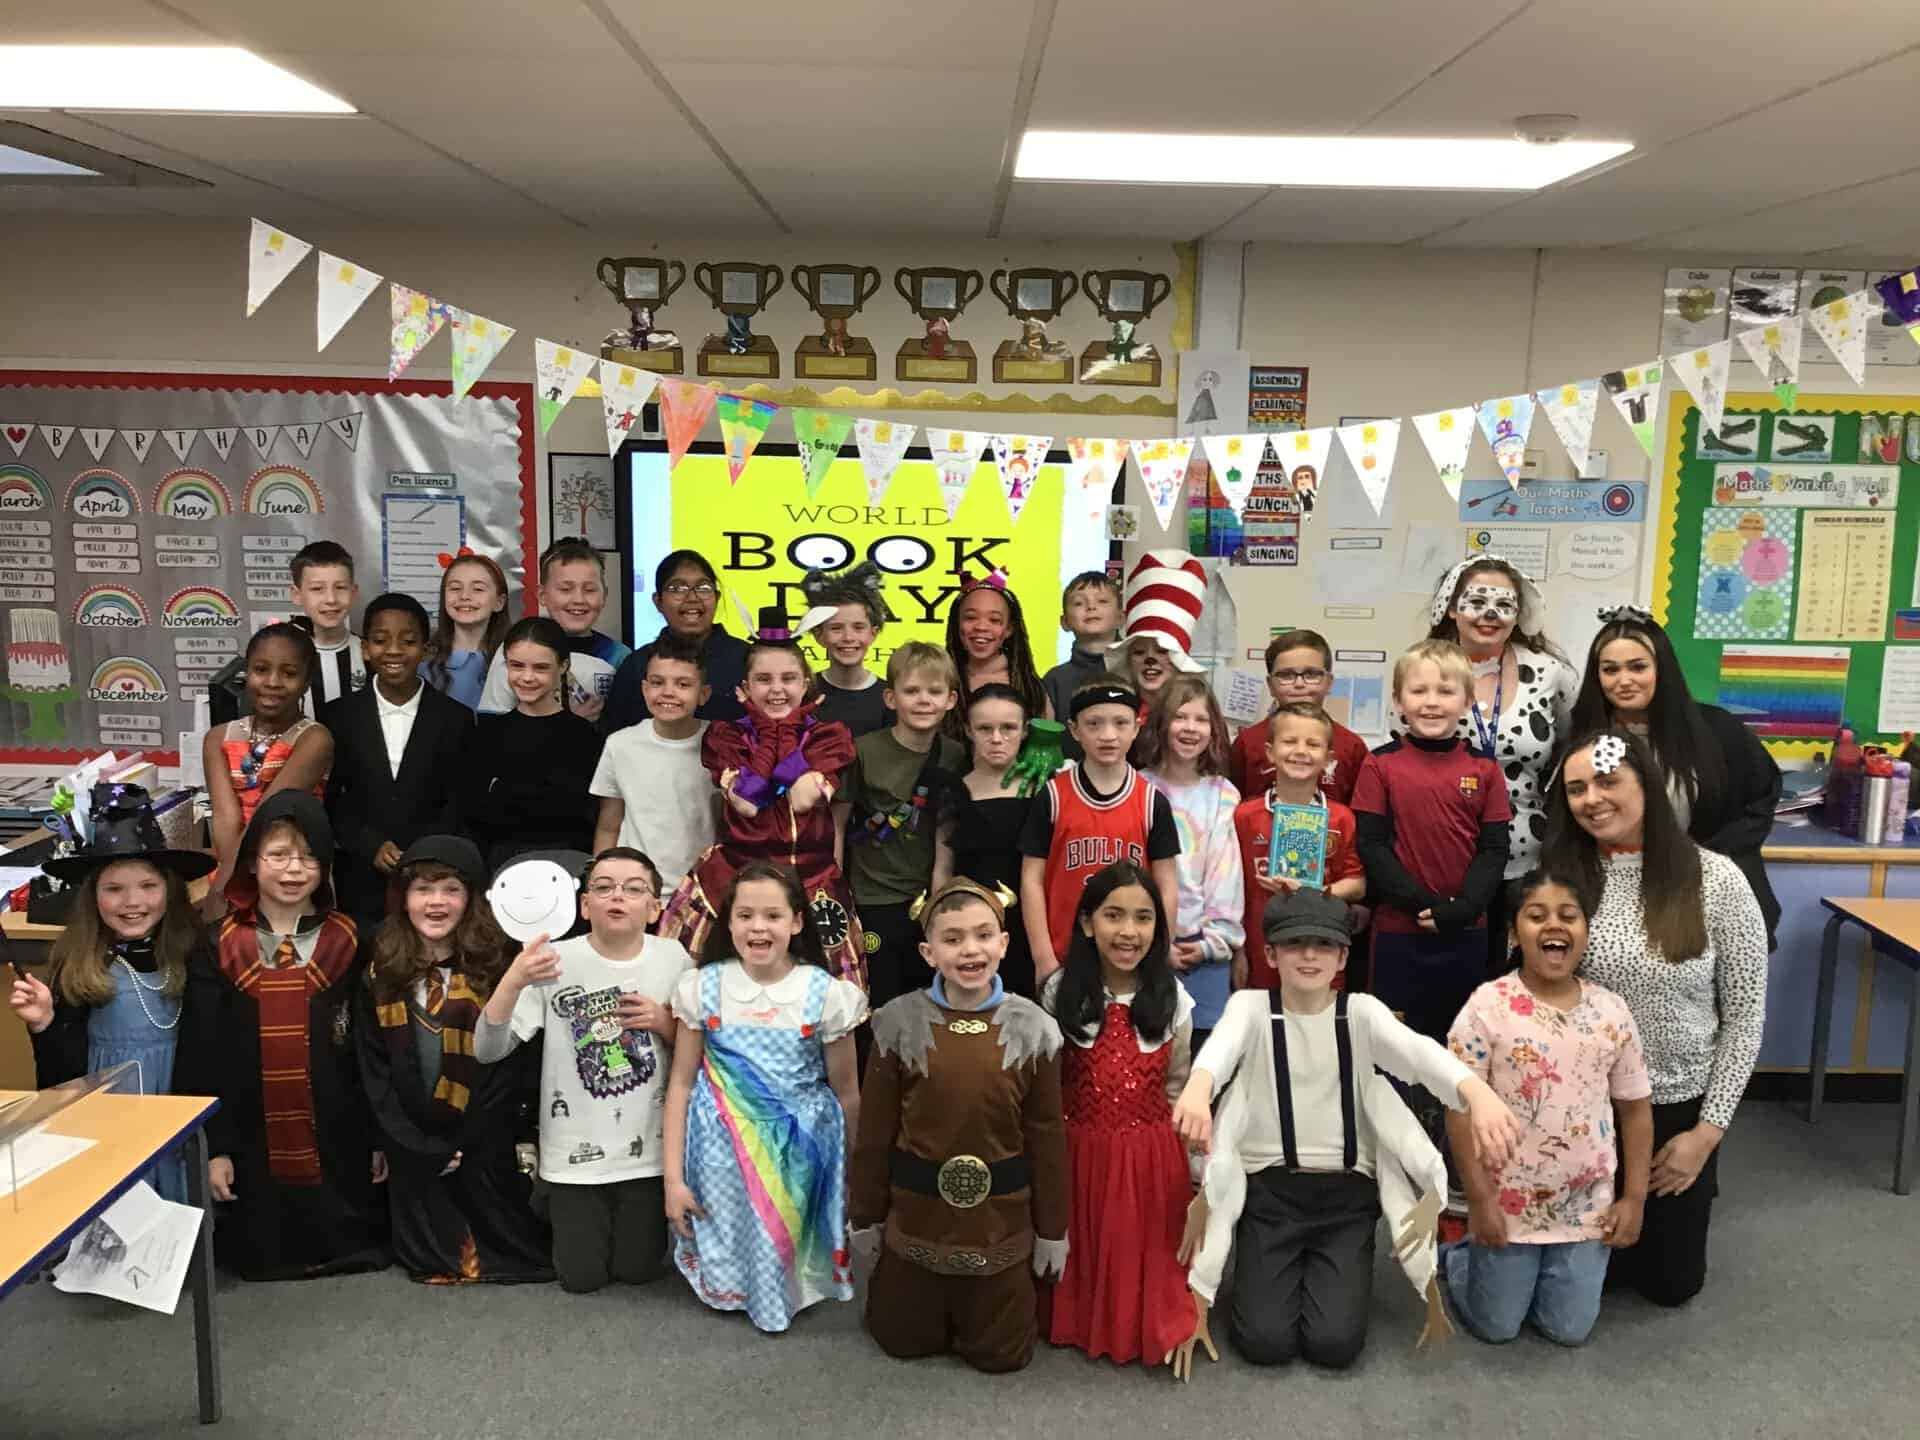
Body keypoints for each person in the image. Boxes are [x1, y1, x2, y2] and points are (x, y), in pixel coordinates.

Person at [1172, 889, 1521, 1370]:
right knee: (1264, 1343)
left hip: (1346, 1204)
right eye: (1294, 944)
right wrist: (1199, 1087)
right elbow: (1222, 1047)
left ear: (1342, 957)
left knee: (1333, 1345)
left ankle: (1330, 1270)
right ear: (1270, 954)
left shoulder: (1361, 1012)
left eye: (1323, 944)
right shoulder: (1251, 1008)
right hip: (1271, 1198)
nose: (1309, 955)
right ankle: (1273, 1269)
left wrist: (1476, 1093)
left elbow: (1419, 1053)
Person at [1541, 728, 1767, 1307]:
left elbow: (1744, 1020)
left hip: (1676, 1110)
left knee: (1669, 1285)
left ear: (1646, 783)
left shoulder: (1716, 880)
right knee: (1593, 1280)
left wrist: (1706, 1135)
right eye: (1576, 789)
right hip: (1584, 1110)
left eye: (1608, 781)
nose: (1592, 799)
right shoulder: (1561, 880)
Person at [850, 878, 1068, 1374]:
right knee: (902, 1341)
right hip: (918, 1221)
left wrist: (1053, 1230)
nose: (970, 950)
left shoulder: (1035, 1030)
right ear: (928, 952)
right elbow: (875, 1135)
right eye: (952, 939)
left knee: (1002, 1356)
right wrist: (865, 1215)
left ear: (1004, 944)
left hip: (998, 1226)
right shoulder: (897, 1024)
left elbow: (1047, 1136)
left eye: (983, 935)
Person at [175, 791, 387, 1280]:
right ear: (252, 863)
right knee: (258, 1239)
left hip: (339, 1128)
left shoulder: (355, 941)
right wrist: (215, 1147)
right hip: (250, 1130)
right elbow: (201, 1054)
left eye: (309, 856)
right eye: (278, 855)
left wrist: (379, 1137)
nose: (294, 869)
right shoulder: (216, 945)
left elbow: (373, 1051)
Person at [1440, 868, 1653, 1346]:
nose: (1554, 925)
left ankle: (1527, 1278)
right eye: (1537, 916)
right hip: (1506, 1203)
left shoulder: (1611, 1011)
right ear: (1515, 933)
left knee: (1568, 1330)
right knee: (1496, 1327)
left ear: (1586, 931)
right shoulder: (1487, 1006)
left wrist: (1634, 1198)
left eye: (1568, 916)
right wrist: (1480, 1201)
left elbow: (1635, 1108)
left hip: (1585, 1206)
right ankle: (1457, 1255)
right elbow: (1458, 1108)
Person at [663, 862, 868, 1332]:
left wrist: (857, 1175)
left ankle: (781, 1297)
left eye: (773, 915)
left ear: (796, 922)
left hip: (800, 1152)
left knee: (781, 1236)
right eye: (745, 915)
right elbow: (681, 1084)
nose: (758, 927)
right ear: (728, 922)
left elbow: (847, 1093)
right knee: (732, 1228)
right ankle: (736, 1291)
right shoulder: (703, 987)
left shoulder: (827, 995)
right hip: (720, 1147)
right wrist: (673, 1180)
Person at [475, 847, 691, 1293]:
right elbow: (487, 1050)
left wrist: (663, 1023)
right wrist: (514, 979)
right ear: (584, 905)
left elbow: (703, 1052)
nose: (618, 896)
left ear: (655, 908)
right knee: (581, 1278)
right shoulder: (553, 960)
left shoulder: (675, 959)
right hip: (573, 1154)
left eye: (634, 889)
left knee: (638, 1271)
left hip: (649, 1152)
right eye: (604, 888)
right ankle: (548, 1199)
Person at [354, 835, 551, 1284]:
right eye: (423, 889)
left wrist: (464, 1140)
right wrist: (420, 1147)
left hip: (481, 1137)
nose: (436, 902)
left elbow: (508, 1069)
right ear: (404, 898)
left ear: (471, 899)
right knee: (428, 1254)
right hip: (413, 1138)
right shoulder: (379, 972)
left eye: (451, 889)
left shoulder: (498, 968)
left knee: (508, 1248)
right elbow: (374, 1073)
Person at [9, 783, 217, 1202]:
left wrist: (220, 1145)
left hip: (174, 1114)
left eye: (148, 886)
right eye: (114, 889)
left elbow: (217, 1055)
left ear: (170, 891)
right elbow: (59, 1078)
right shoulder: (78, 961)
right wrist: (46, 1025)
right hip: (104, 1118)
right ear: (93, 897)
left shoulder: (195, 956)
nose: (132, 901)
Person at [1041, 862, 1196, 1369]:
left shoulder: (1174, 1001)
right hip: (1079, 1155)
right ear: (1088, 923)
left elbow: (1178, 1089)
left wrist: (1198, 1174)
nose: (1129, 931)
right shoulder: (1058, 993)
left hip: (1150, 1161)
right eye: (1114, 915)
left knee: (1141, 1254)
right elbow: (1045, 1087)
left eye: (1143, 918)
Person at [658, 608, 864, 987]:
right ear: (746, 687)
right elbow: (749, 802)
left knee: (828, 1000)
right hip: (732, 877)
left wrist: (785, 733)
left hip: (811, 882)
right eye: (764, 679)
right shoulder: (727, 737)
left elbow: (801, 798)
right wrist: (771, 731)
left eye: (788, 679)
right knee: (694, 991)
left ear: (805, 684)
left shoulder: (828, 736)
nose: (776, 689)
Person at [1568, 606, 1782, 944]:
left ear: (1662, 669)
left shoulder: (1717, 731)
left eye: (1638, 667)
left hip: (1704, 896)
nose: (1624, 680)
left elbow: (1759, 800)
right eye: (1610, 670)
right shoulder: (1581, 738)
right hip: (1612, 901)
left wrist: (1705, 861)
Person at [1353, 640, 1511, 1041]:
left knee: (1461, 1041)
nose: (1431, 702)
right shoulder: (1379, 764)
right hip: (1399, 930)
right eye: (1418, 691)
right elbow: (1372, 845)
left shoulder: (1485, 768)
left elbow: (1494, 848)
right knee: (1394, 1042)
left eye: (1445, 691)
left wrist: (1464, 908)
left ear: (1467, 700)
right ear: (1398, 700)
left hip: (1467, 929)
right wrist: (1423, 904)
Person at [1425, 554, 1578, 960]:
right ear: (1451, 607)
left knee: (1517, 977)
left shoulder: (1550, 674)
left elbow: (1573, 751)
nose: (1490, 614)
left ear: (1519, 613)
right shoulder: (1424, 671)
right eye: (1477, 601)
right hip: (1446, 859)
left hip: (1527, 860)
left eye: (1504, 604)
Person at [322, 593, 474, 933]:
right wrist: (370, 845)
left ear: (425, 649)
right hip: (359, 878)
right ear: (365, 648)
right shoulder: (339, 716)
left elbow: (459, 798)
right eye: (380, 640)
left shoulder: (455, 719)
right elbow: (333, 799)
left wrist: (422, 851)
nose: (393, 651)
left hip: (432, 876)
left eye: (407, 641)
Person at [1019, 676, 1181, 985]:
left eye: (1120, 723)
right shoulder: (1052, 797)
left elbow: (1167, 885)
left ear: (1136, 727)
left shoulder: (1152, 802)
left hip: (1131, 956)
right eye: (1094, 724)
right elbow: (1031, 879)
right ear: (1074, 730)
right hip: (1064, 959)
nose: (1108, 735)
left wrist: (1159, 953)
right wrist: (1043, 957)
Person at [834, 642, 963, 1009]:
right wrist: (838, 892)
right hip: (872, 898)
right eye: (912, 691)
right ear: (891, 698)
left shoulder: (955, 756)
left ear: (951, 700)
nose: (923, 700)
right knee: (879, 1001)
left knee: (928, 1001)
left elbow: (946, 835)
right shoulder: (863, 751)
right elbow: (837, 825)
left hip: (926, 900)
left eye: (934, 691)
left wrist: (940, 900)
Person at [1231, 702, 1366, 991]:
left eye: (1313, 744)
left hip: (1321, 951)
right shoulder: (1244, 816)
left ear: (1329, 758)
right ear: (1270, 752)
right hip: (1259, 951)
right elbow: (1230, 892)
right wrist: (1237, 951)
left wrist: (1311, 891)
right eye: (1290, 741)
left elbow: (1357, 884)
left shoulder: (1341, 818)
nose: (1301, 751)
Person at [1139, 674, 1242, 1049]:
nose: (1190, 728)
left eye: (1201, 719)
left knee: (1201, 1058)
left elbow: (1226, 875)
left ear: (1213, 729)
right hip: (1144, 949)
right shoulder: (1139, 788)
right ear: (1161, 724)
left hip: (1204, 952)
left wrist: (1213, 942)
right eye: (1180, 717)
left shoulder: (1222, 794)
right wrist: (1155, 943)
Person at [205, 622, 332, 910]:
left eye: (289, 673)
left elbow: (267, 815)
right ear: (246, 673)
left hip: (294, 872)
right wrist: (230, 886)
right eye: (261, 670)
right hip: (233, 869)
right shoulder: (218, 738)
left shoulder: (314, 739)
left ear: (307, 682)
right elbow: (225, 819)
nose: (273, 682)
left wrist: (224, 890)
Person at [463, 616, 605, 872]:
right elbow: (474, 811)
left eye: (540, 668)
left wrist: (505, 793)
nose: (527, 677)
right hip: (500, 867)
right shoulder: (487, 734)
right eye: (517, 666)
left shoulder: (586, 737)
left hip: (569, 865)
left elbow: (582, 814)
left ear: (563, 666)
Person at [934, 683, 1040, 998]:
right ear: (968, 730)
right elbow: (943, 868)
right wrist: (939, 927)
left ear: (1025, 730)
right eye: (985, 728)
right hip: (972, 932)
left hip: (1031, 929)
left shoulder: (1044, 790)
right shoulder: (953, 792)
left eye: (1008, 728)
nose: (996, 738)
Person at [591, 632, 717, 894]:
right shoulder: (620, 744)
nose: (668, 692)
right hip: (635, 891)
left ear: (703, 694)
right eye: (658, 683)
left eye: (683, 684)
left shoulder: (721, 744)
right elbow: (608, 826)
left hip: (700, 893)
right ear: (644, 689)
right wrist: (601, 886)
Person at [478, 537, 629, 724]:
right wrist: (568, 722)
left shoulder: (620, 657)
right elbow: (490, 726)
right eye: (565, 589)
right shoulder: (514, 648)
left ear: (604, 596)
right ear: (542, 595)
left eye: (590, 589)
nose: (578, 599)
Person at [606, 549, 749, 730]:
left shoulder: (747, 660)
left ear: (717, 597)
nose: (692, 598)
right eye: (677, 588)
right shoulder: (637, 665)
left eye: (703, 588)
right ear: (658, 601)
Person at [1229, 629, 1370, 807]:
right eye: (1286, 675)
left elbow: (1359, 815)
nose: (1299, 684)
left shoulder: (1352, 747)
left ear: (1329, 682)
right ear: (1270, 685)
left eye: (1311, 674)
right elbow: (1233, 806)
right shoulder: (1246, 744)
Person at [944, 570, 1049, 737]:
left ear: (1009, 629)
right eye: (970, 617)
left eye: (994, 620)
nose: (981, 627)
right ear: (957, 624)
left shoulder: (1030, 687)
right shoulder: (940, 680)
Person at [803, 560, 892, 737]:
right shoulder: (805, 694)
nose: (848, 638)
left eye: (858, 627)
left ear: (873, 633)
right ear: (819, 635)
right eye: (836, 628)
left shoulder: (890, 699)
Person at [423, 549, 511, 711]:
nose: (464, 596)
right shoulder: (423, 660)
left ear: (499, 602)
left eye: (478, 589)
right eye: (455, 588)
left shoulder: (513, 661)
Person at [1041, 569, 1123, 736]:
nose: (1091, 607)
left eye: (1102, 601)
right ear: (1065, 622)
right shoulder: (1054, 680)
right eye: (1079, 603)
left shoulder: (1134, 673)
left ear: (1120, 618)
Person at [288, 539, 365, 711]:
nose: (331, 599)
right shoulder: (284, 655)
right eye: (317, 589)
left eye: (340, 587)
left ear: (354, 593)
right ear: (296, 594)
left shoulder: (369, 654)